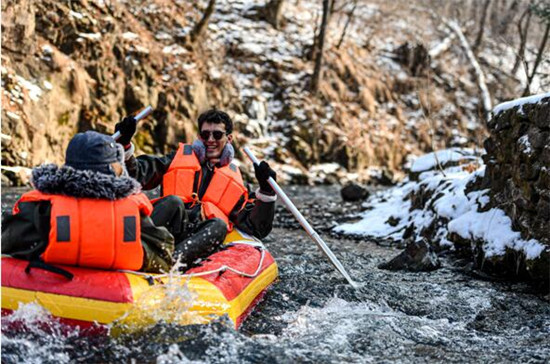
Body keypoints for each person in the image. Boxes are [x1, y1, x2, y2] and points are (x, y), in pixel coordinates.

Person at [114, 109, 277, 262]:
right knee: (173, 202)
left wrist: (266, 191)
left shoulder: (237, 181)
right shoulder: (176, 158)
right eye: (205, 135)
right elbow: (137, 175)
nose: (211, 140)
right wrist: (125, 144)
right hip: (167, 227)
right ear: (199, 137)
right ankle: (130, 250)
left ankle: (171, 264)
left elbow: (256, 228)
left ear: (228, 139)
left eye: (217, 135)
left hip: (195, 239)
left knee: (219, 225)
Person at [1, 131, 176, 273]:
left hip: (48, 288)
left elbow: (9, 241)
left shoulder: (42, 207)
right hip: (118, 295)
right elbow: (162, 256)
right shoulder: (132, 212)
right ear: (111, 169)